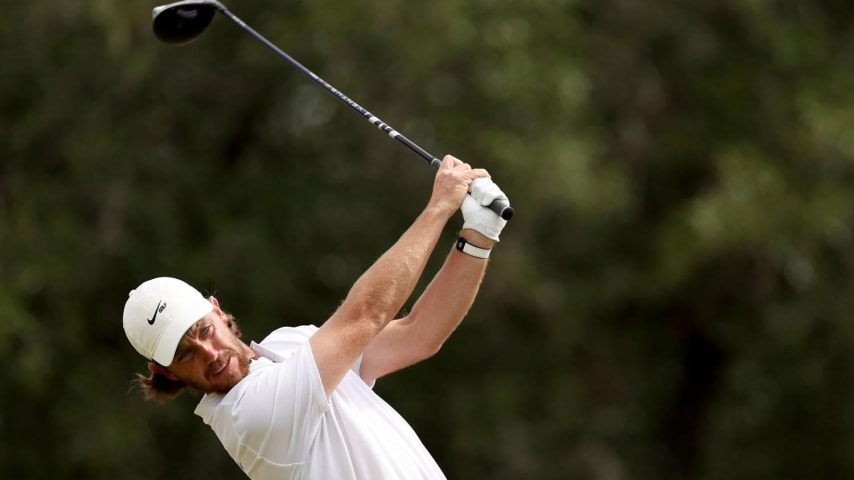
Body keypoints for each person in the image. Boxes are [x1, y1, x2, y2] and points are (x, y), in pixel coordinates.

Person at [122, 155, 510, 479]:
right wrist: (439, 207)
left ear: (218, 310)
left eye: (204, 330)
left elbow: (418, 334)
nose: (208, 353)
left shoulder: (289, 343)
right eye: (185, 353)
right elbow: (366, 314)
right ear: (167, 373)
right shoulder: (248, 417)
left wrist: (479, 234)